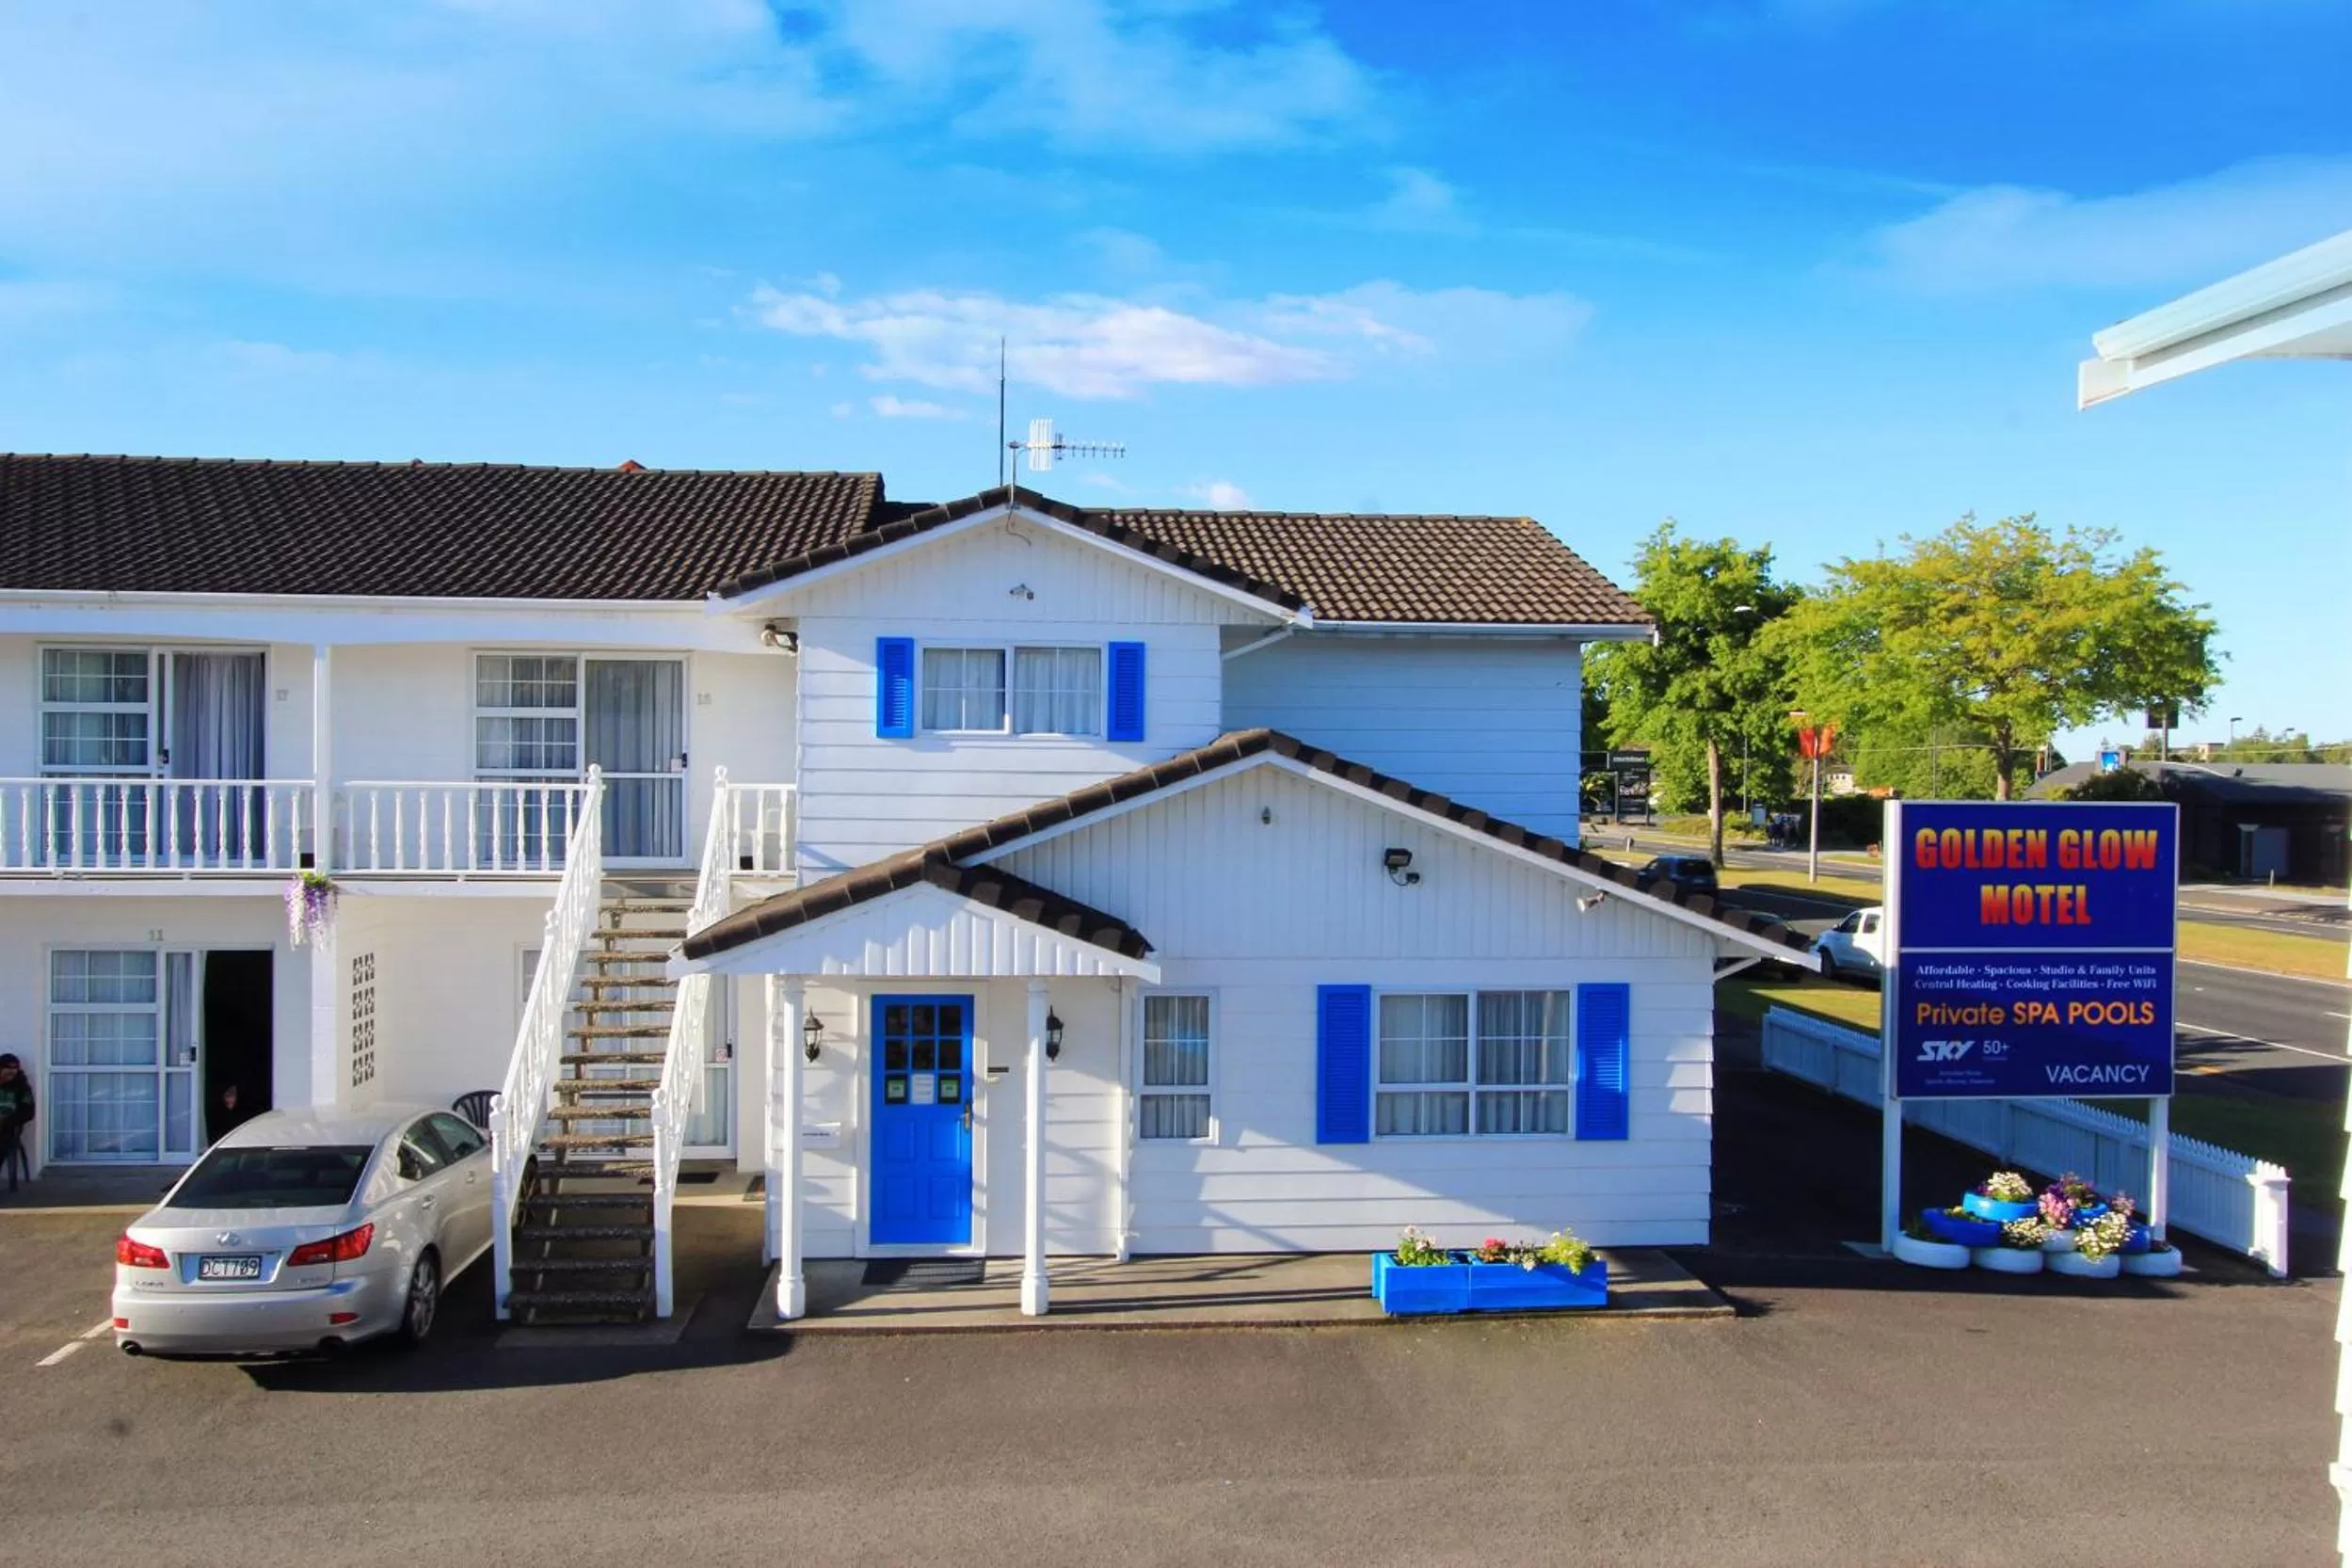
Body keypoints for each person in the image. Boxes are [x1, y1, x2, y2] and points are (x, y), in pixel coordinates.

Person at [0, 1053, 34, 1192]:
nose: (11, 1073)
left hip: (8, 1129)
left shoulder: (21, 1087)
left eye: (14, 1069)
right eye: (7, 1069)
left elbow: (28, 1112)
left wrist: (7, 1120)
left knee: (4, 1143)